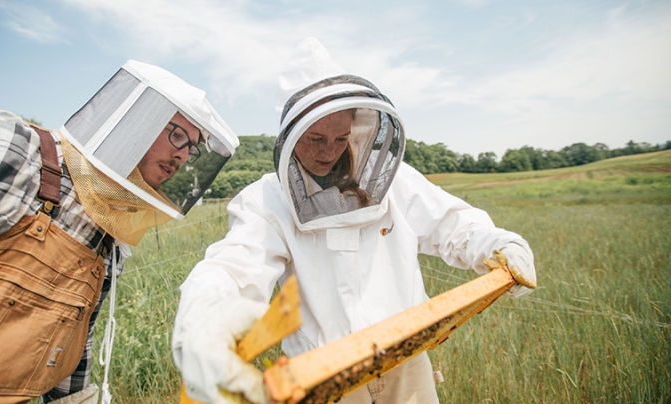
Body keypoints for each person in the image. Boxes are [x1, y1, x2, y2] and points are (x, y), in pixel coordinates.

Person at [172, 38, 537, 404]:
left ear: (356, 129)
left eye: (340, 138)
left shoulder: (394, 180)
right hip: (325, 375)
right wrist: (205, 321)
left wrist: (497, 243)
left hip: (406, 360)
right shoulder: (265, 200)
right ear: (291, 135)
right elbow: (232, 266)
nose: (329, 151)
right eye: (316, 138)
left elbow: (452, 224)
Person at [0, 60, 239, 404]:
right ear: (137, 120)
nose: (181, 156)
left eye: (190, 148)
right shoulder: (2, 146)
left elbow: (71, 336)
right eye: (176, 134)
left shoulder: (112, 236)